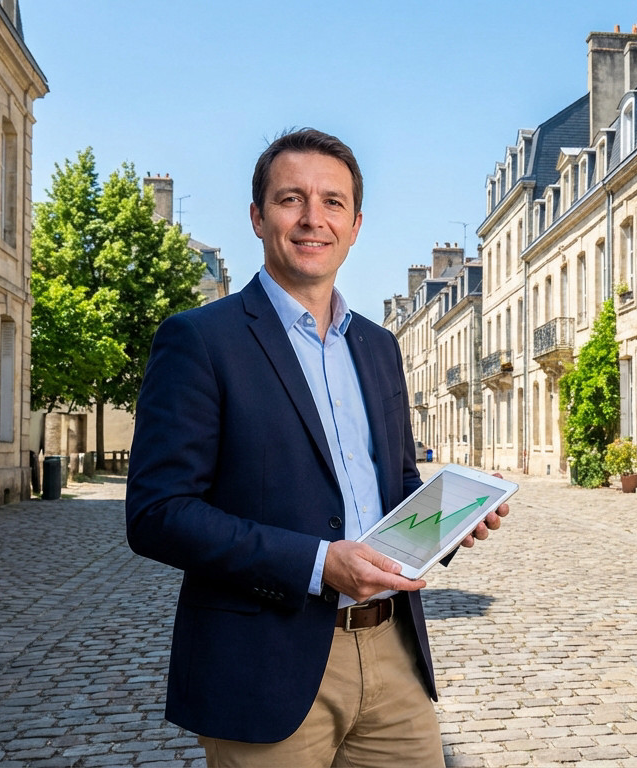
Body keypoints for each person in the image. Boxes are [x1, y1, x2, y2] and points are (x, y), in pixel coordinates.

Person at [125, 128, 507, 767]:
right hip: (264, 664)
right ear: (257, 216)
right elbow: (158, 515)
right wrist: (317, 563)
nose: (312, 219)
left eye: (333, 203)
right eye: (290, 199)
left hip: (393, 657)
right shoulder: (199, 340)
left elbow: (396, 481)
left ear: (356, 224)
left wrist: (447, 516)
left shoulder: (380, 346)